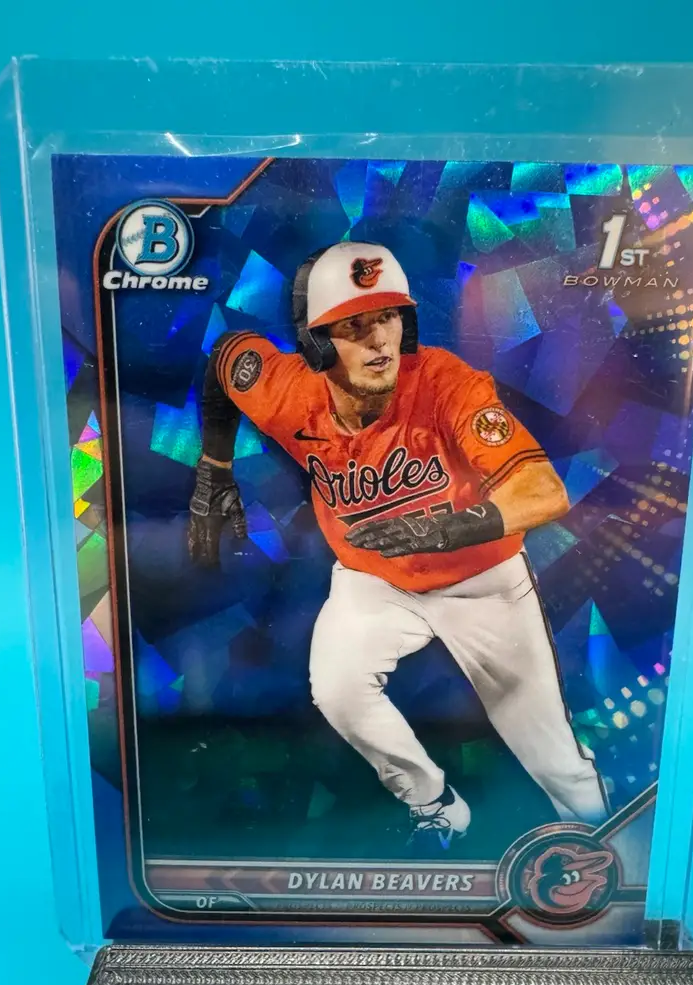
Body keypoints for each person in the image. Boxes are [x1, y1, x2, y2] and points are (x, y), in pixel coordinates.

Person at [188, 241, 608, 850]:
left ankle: (605, 847)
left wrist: (448, 529)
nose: (378, 340)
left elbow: (544, 491)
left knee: (554, 759)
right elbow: (228, 356)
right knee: (338, 689)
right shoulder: (287, 393)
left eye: (386, 318)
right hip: (375, 579)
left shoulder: (446, 384)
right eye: (352, 326)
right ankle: (436, 806)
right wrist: (214, 466)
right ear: (315, 342)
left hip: (482, 581)